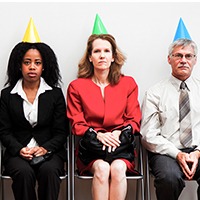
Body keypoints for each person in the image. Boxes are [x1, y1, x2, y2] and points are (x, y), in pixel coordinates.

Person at [67, 14, 141, 200]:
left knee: (116, 169)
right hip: (91, 149)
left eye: (107, 51)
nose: (102, 56)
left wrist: (117, 134)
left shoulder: (128, 84)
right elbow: (77, 124)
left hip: (120, 146)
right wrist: (98, 134)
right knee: (101, 168)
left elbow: (134, 119)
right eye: (97, 51)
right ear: (90, 57)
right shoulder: (76, 87)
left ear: (114, 56)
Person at [0, 18, 68, 200]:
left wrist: (45, 148)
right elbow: (4, 131)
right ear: (19, 65)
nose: (32, 67)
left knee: (49, 172)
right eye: (27, 62)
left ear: (44, 66)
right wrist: (19, 148)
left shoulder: (54, 94)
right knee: (23, 173)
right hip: (18, 153)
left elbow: (61, 132)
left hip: (49, 153)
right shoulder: (7, 94)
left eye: (37, 63)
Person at [141, 18, 200, 200]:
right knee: (169, 178)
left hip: (198, 150)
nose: (183, 60)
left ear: (195, 60)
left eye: (188, 56)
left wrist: (197, 153)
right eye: (178, 55)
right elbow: (148, 134)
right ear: (169, 59)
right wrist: (178, 154)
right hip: (168, 152)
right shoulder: (155, 92)